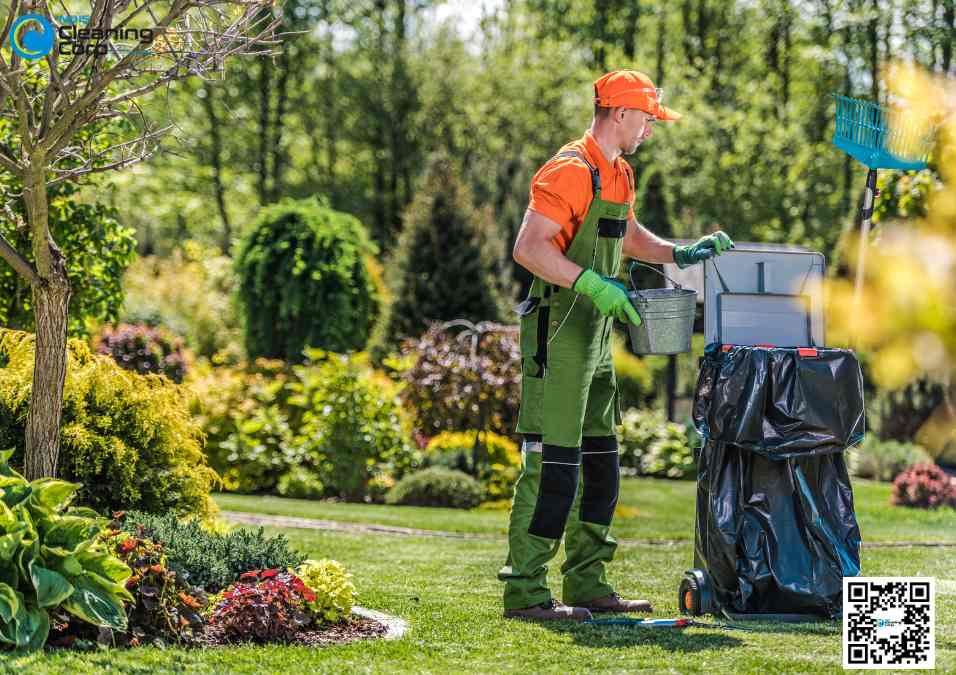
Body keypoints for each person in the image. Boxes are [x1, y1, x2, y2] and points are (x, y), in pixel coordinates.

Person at [498, 69, 734, 622]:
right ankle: (527, 590)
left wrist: (680, 253)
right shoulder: (570, 169)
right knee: (552, 463)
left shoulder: (618, 173)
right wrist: (590, 283)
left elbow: (626, 236)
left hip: (598, 334)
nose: (651, 127)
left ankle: (587, 581)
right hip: (559, 333)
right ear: (621, 113)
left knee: (601, 460)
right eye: (648, 117)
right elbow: (529, 249)